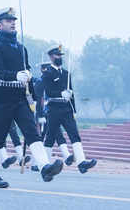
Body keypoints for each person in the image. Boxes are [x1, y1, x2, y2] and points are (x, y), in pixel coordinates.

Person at [0, 8, 63, 188]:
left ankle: (44, 167)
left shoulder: (21, 48)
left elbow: (26, 71)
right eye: (8, 20)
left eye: (13, 20)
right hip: (3, 95)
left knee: (31, 132)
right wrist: (15, 76)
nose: (13, 22)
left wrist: (33, 93)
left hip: (20, 96)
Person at [42, 45, 97, 174]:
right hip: (54, 108)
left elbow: (71, 93)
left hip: (66, 109)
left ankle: (81, 163)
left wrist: (74, 110)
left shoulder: (67, 73)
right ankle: (44, 164)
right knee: (50, 136)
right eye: (57, 55)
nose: (59, 57)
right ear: (51, 57)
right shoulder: (47, 73)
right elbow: (49, 91)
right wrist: (61, 94)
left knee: (74, 135)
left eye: (60, 55)